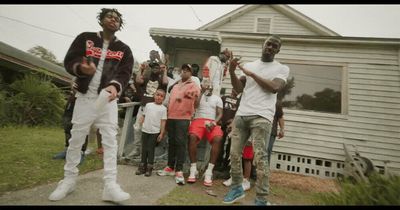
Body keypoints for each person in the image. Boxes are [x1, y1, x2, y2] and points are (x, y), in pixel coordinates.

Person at [49, 8, 134, 203]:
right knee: (76, 138)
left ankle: (110, 186)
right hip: (85, 97)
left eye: (117, 19)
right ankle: (69, 180)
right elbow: (70, 60)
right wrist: (81, 68)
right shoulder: (85, 38)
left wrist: (115, 86)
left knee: (111, 142)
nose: (113, 20)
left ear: (120, 25)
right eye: (109, 16)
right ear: (101, 20)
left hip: (108, 100)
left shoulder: (124, 49)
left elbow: (125, 72)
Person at [222, 35, 289, 205]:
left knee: (260, 159)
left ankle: (261, 199)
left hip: (262, 116)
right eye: (268, 44)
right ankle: (237, 188)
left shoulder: (281, 68)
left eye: (274, 46)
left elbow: (274, 88)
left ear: (278, 50)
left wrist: (252, 74)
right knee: (234, 154)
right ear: (263, 45)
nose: (270, 47)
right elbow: (237, 89)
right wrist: (231, 71)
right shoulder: (250, 65)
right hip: (242, 115)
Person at [157, 64, 200, 185]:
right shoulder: (175, 85)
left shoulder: (194, 84)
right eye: (183, 70)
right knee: (171, 142)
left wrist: (186, 96)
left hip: (183, 118)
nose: (184, 72)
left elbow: (195, 96)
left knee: (181, 143)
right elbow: (171, 98)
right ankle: (170, 167)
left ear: (191, 73)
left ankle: (179, 170)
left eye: (187, 71)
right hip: (171, 116)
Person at [128, 61, 168, 159]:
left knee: (151, 131)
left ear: (159, 69)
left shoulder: (161, 80)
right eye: (153, 67)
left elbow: (166, 82)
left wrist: (165, 71)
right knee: (137, 128)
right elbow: (138, 81)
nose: (155, 69)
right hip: (143, 108)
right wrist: (141, 69)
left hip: (155, 110)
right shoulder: (146, 78)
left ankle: (147, 153)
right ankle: (137, 149)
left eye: (157, 68)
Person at [187, 84, 223, 186]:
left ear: (213, 88)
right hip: (198, 120)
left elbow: (220, 113)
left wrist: (214, 123)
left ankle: (209, 171)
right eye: (206, 87)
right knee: (192, 136)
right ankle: (193, 169)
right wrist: (201, 92)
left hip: (212, 121)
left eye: (210, 87)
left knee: (218, 138)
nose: (208, 89)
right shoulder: (199, 95)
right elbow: (195, 106)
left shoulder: (217, 98)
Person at [135, 89, 167, 177]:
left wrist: (161, 133)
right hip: (145, 130)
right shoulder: (148, 105)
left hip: (154, 132)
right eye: (157, 95)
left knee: (150, 149)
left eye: (161, 96)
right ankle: (142, 166)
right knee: (144, 148)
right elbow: (143, 115)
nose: (159, 97)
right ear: (154, 95)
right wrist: (140, 123)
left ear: (164, 98)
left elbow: (163, 121)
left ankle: (149, 167)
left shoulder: (163, 109)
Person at [53, 88, 88, 165]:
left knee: (82, 127)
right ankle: (67, 150)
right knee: (67, 124)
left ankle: (81, 152)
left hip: (84, 100)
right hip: (72, 99)